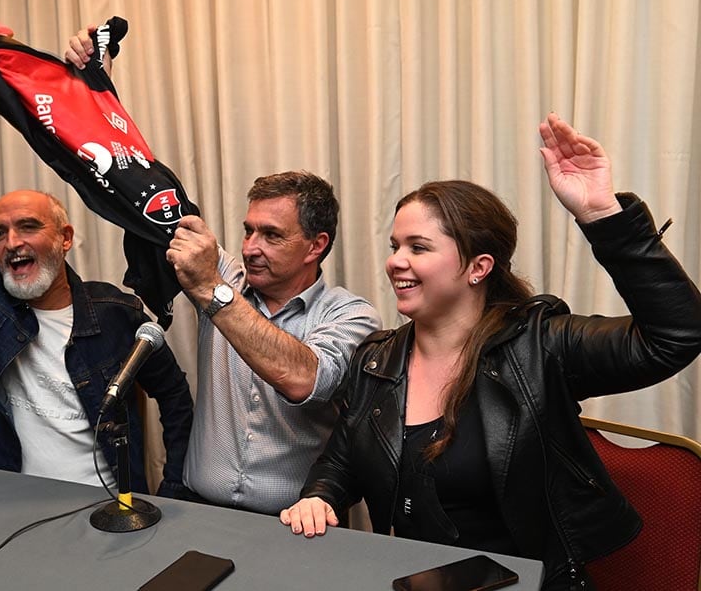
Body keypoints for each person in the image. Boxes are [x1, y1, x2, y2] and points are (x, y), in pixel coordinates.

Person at [279, 113, 701, 589]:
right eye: (395, 245)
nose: (395, 261)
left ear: (478, 267)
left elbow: (675, 335)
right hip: (409, 580)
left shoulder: (540, 345)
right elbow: (342, 460)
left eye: (419, 247)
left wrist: (603, 216)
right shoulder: (376, 360)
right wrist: (319, 496)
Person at [65, 26, 381, 514]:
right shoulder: (224, 277)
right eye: (248, 230)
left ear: (316, 245)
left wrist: (213, 289)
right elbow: (139, 190)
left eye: (271, 235)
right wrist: (98, 92)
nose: (251, 247)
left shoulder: (352, 315)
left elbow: (304, 379)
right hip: (200, 510)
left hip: (298, 525)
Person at [0, 77, 194, 496]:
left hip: (107, 509)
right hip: (5, 503)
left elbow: (177, 400)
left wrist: (176, 491)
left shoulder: (117, 314)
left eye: (28, 227)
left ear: (64, 238)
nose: (12, 243)